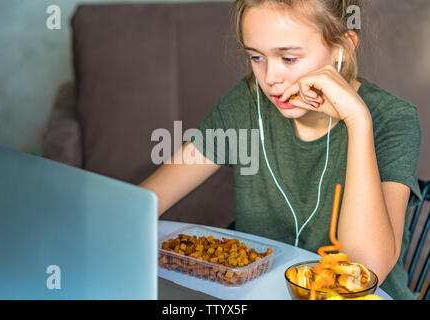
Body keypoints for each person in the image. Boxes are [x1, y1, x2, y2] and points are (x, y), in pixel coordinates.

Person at [139, 0, 422, 299]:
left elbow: (364, 270)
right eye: (257, 57)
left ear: (343, 48)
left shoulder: (392, 119)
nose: (271, 77)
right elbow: (145, 203)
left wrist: (358, 121)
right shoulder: (246, 104)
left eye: (288, 58)